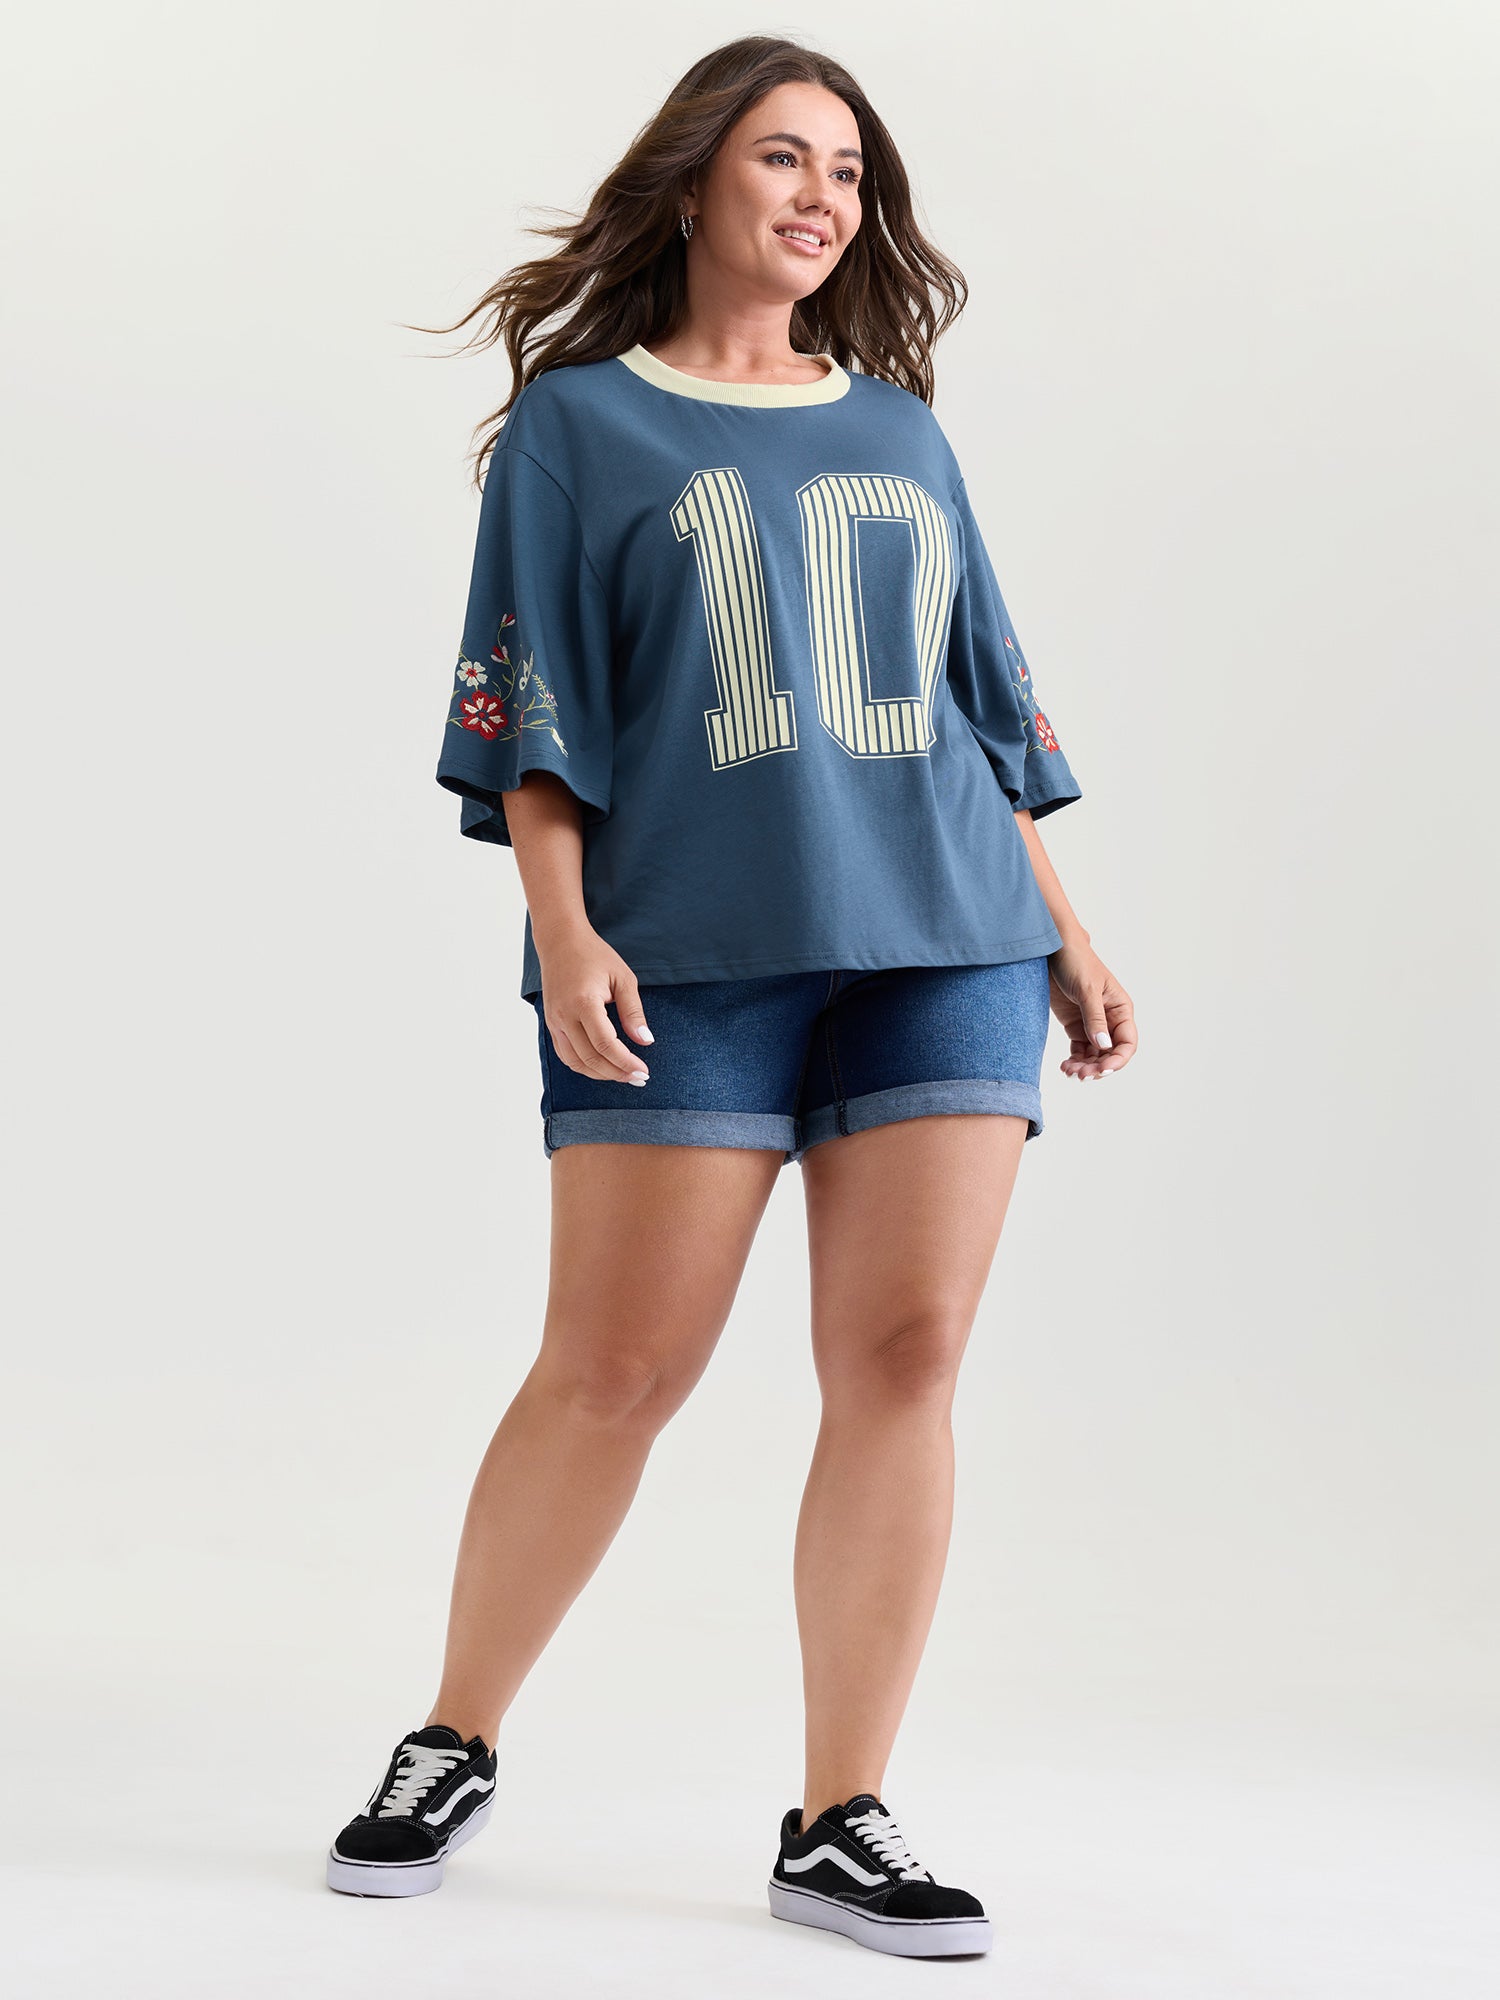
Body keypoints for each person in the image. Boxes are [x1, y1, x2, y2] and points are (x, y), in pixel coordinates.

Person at [325, 34, 1137, 1960]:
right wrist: (564, 927)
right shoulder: (580, 427)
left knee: (908, 1359)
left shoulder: (904, 432)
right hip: (685, 947)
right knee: (617, 1371)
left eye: (848, 172)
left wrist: (1069, 931)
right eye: (784, 158)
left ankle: (840, 1817)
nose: (822, 198)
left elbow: (982, 711)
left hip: (950, 938)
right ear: (693, 182)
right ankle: (453, 1735)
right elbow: (534, 709)